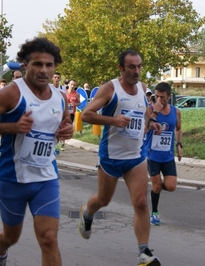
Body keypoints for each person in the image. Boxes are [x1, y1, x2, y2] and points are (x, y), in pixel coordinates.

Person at [0, 37, 73, 266]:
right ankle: (1, 249)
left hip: (46, 177)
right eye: (37, 64)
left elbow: (64, 122)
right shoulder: (12, 94)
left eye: (49, 65)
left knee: (48, 239)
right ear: (25, 65)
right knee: (11, 236)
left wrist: (66, 130)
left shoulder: (60, 96)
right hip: (13, 178)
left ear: (55, 67)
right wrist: (13, 127)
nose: (44, 70)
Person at [78, 49, 162, 266]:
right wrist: (113, 121)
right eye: (132, 67)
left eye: (139, 66)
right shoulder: (110, 89)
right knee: (103, 200)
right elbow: (87, 114)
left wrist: (150, 123)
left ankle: (143, 252)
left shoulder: (143, 88)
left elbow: (142, 113)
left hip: (136, 156)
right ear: (121, 68)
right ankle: (87, 213)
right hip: (111, 156)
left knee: (141, 203)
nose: (137, 71)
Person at [145, 82, 182, 226]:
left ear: (169, 96)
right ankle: (154, 213)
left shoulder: (176, 111)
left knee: (171, 186)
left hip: (167, 155)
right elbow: (146, 128)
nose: (159, 100)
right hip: (152, 155)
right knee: (156, 186)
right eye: (157, 96)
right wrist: (155, 111)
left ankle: (157, 187)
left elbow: (178, 129)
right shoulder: (149, 109)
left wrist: (179, 144)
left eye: (162, 97)